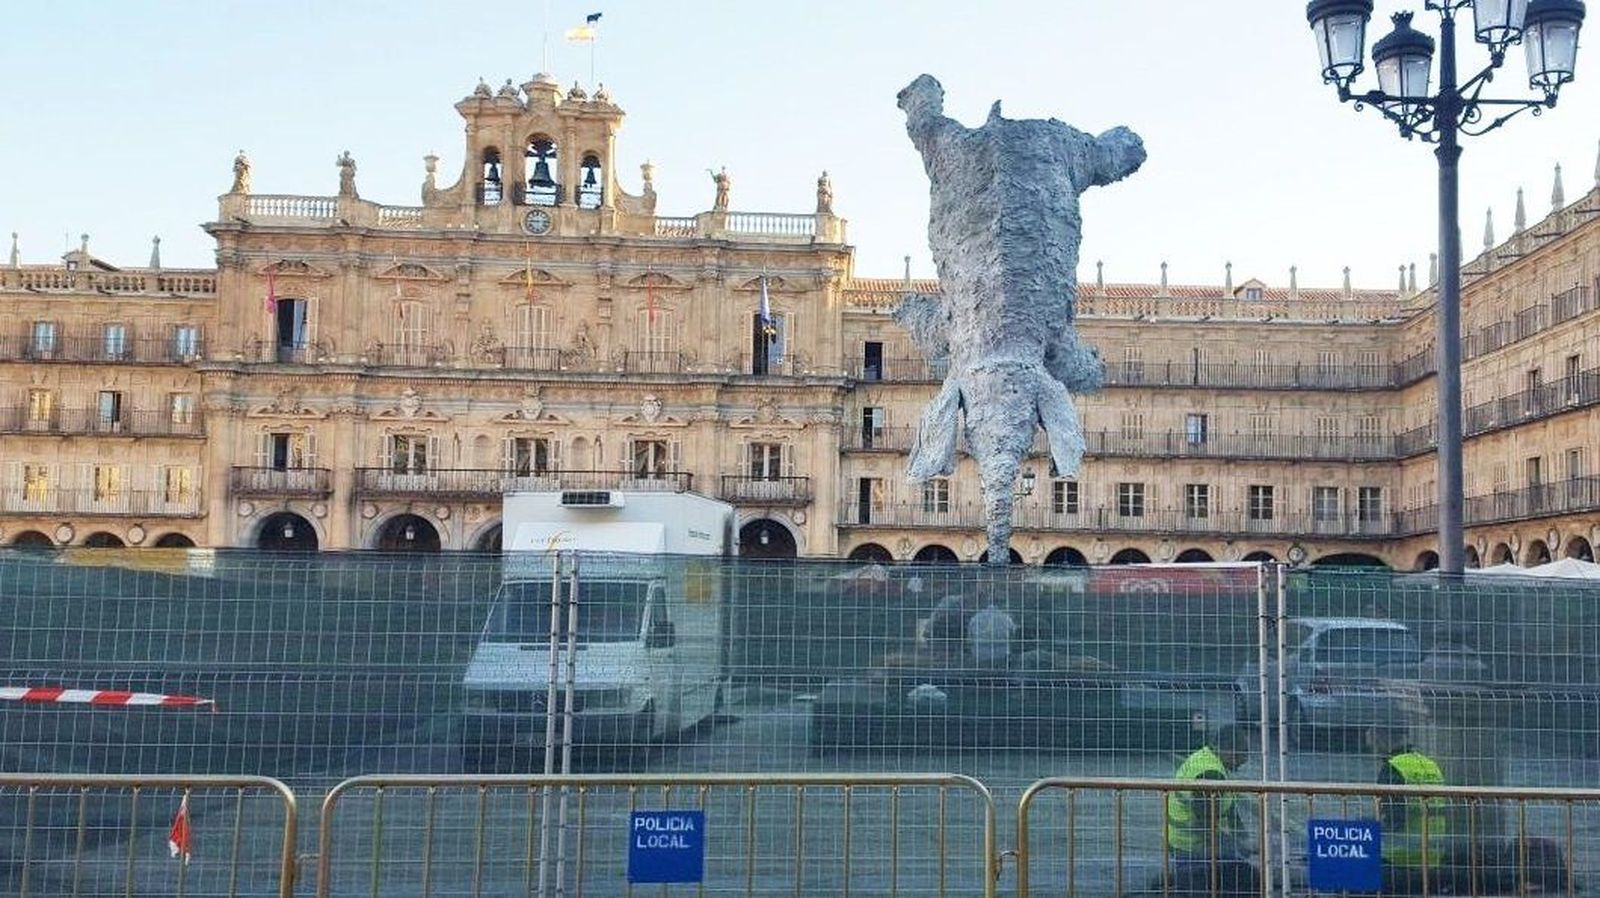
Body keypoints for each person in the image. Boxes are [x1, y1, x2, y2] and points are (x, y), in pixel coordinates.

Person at [1165, 724, 1258, 895]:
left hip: (1187, 843)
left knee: (1242, 872)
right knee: (1249, 881)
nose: (1246, 759)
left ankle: (1181, 882)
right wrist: (1238, 847)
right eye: (1244, 753)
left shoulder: (1208, 757)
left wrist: (1244, 838)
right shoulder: (1210, 774)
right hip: (1192, 847)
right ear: (1230, 751)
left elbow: (1229, 810)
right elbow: (1206, 828)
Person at [1370, 724, 1446, 895]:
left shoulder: (1393, 768)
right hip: (1433, 857)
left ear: (1380, 738)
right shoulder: (1430, 765)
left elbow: (1394, 818)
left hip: (1400, 857)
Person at [966, 598, 1016, 666]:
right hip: (1002, 656)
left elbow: (969, 639)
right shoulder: (1007, 618)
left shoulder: (975, 618)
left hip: (979, 656)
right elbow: (1013, 636)